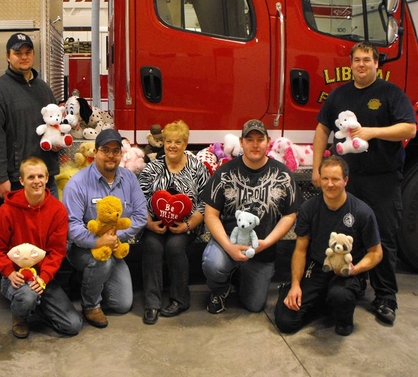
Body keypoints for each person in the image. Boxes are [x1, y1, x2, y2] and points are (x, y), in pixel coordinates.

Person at [312, 41, 416, 324]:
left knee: (384, 238)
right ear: (351, 64)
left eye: (366, 60)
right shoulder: (339, 95)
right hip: (348, 182)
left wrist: (371, 132)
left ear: (376, 64)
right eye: (356, 60)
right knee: (344, 237)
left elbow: (409, 127)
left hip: (383, 181)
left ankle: (385, 297)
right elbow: (322, 129)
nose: (361, 65)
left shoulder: (391, 93)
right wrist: (318, 168)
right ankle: (350, 287)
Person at [201, 119, 303, 314]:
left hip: (261, 250)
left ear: (268, 142)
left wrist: (268, 242)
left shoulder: (283, 174)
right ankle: (220, 290)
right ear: (241, 142)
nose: (255, 145)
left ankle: (240, 276)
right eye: (249, 140)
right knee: (213, 264)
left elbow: (290, 215)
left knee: (254, 306)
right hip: (228, 243)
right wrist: (229, 247)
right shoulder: (225, 172)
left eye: (260, 139)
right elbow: (211, 215)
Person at [275, 156, 383, 336]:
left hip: (347, 272)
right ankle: (315, 300)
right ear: (319, 180)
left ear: (345, 181)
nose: (330, 184)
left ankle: (343, 318)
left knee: (340, 297)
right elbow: (300, 250)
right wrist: (295, 285)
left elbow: (376, 253)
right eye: (325, 179)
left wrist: (354, 270)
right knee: (286, 322)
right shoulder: (309, 208)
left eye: (335, 179)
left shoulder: (362, 212)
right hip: (317, 268)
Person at [0, 157, 82, 338]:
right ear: (21, 181)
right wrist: (9, 272)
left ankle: (35, 307)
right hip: (16, 276)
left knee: (73, 326)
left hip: (42, 276)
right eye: (31, 177)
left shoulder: (58, 211)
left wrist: (44, 278)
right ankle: (20, 314)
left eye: (40, 176)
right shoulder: (6, 211)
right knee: (27, 297)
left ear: (47, 178)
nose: (36, 181)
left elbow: (57, 251)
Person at [62, 129, 147, 328]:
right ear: (95, 152)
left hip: (114, 246)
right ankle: (90, 304)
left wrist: (116, 237)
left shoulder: (129, 179)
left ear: (121, 154)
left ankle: (87, 279)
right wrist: (97, 241)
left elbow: (141, 216)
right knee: (102, 264)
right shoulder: (77, 183)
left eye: (115, 151)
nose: (110, 155)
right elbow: (71, 225)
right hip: (81, 248)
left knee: (122, 304)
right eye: (105, 150)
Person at [137, 120, 209, 325]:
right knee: (151, 245)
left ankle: (180, 299)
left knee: (175, 246)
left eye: (178, 141)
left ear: (185, 144)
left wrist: (187, 226)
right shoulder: (153, 168)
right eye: (168, 141)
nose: (172, 145)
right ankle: (152, 303)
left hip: (187, 224)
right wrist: (149, 223)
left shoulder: (197, 168)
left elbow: (205, 202)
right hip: (155, 222)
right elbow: (140, 198)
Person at [0, 32, 61, 200]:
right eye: (18, 53)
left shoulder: (43, 88)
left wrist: (57, 143)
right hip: (18, 180)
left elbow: (55, 125)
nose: (24, 57)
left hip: (46, 177)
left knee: (50, 225)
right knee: (21, 226)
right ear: (8, 57)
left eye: (28, 52)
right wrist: (0, 177)